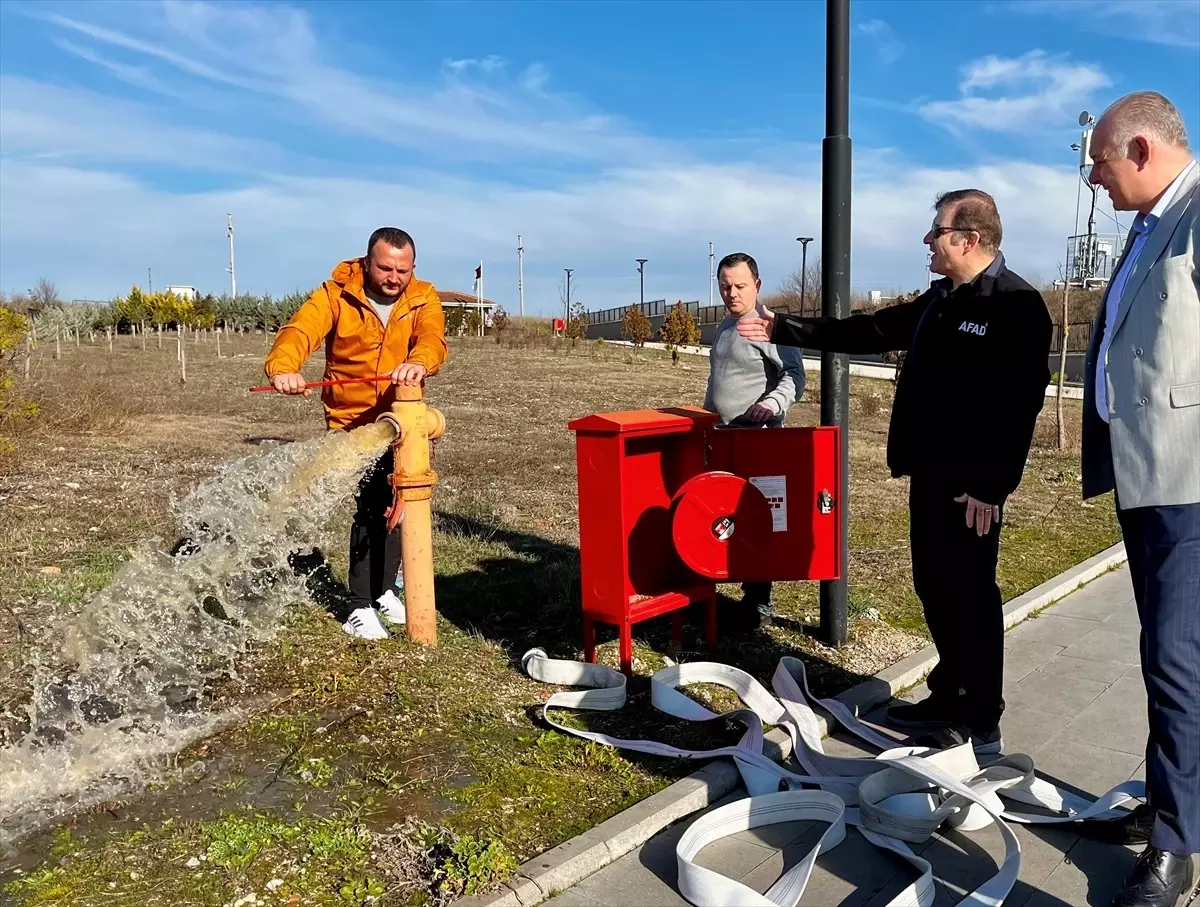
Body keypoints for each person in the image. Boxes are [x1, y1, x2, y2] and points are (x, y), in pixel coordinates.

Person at [737, 190, 1052, 755]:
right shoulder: (940, 299)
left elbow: (1019, 404)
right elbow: (869, 331)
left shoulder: (1016, 305)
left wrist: (990, 485)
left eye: (936, 230)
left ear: (968, 240)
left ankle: (980, 717)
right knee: (933, 585)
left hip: (972, 485)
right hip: (928, 470)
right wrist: (784, 326)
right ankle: (947, 695)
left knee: (970, 594)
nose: (927, 240)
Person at [1074, 91, 1199, 907]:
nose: (1095, 181)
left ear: (1143, 149)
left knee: (1178, 662)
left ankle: (1178, 848)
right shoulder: (1151, 223)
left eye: (1102, 164)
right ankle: (1166, 802)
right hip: (1147, 476)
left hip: (1190, 484)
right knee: (1163, 655)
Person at [264, 227, 448, 640]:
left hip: (403, 420)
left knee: (401, 501)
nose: (393, 277)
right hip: (351, 424)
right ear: (367, 262)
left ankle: (384, 589)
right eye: (385, 267)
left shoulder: (423, 297)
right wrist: (284, 368)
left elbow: (433, 338)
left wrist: (418, 362)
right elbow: (299, 332)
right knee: (370, 507)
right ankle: (359, 604)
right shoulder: (334, 294)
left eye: (402, 269)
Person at [704, 252, 805, 627]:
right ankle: (716, 587)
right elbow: (719, 381)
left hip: (758, 443)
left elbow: (794, 377)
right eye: (725, 286)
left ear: (757, 285)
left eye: (740, 286)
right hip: (722, 440)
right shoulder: (725, 327)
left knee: (757, 520)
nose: (732, 293)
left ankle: (758, 603)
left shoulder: (770, 326)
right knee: (721, 516)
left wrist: (771, 405)